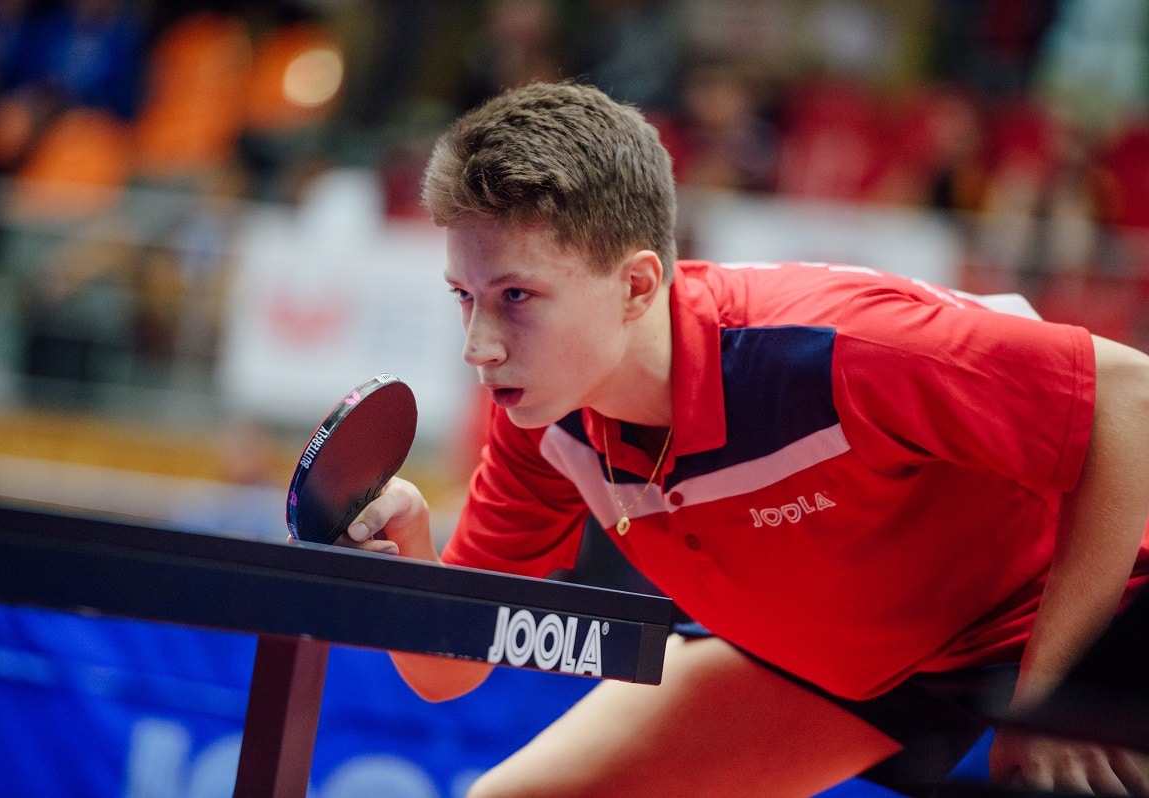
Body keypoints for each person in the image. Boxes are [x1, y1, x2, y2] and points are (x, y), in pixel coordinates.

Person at [338, 80, 1149, 797]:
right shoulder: (543, 419)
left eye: (515, 296)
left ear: (637, 284)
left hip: (1069, 608)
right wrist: (408, 547)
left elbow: (1129, 398)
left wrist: (1055, 699)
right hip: (839, 654)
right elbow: (449, 668)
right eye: (464, 295)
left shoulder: (830, 352)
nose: (478, 346)